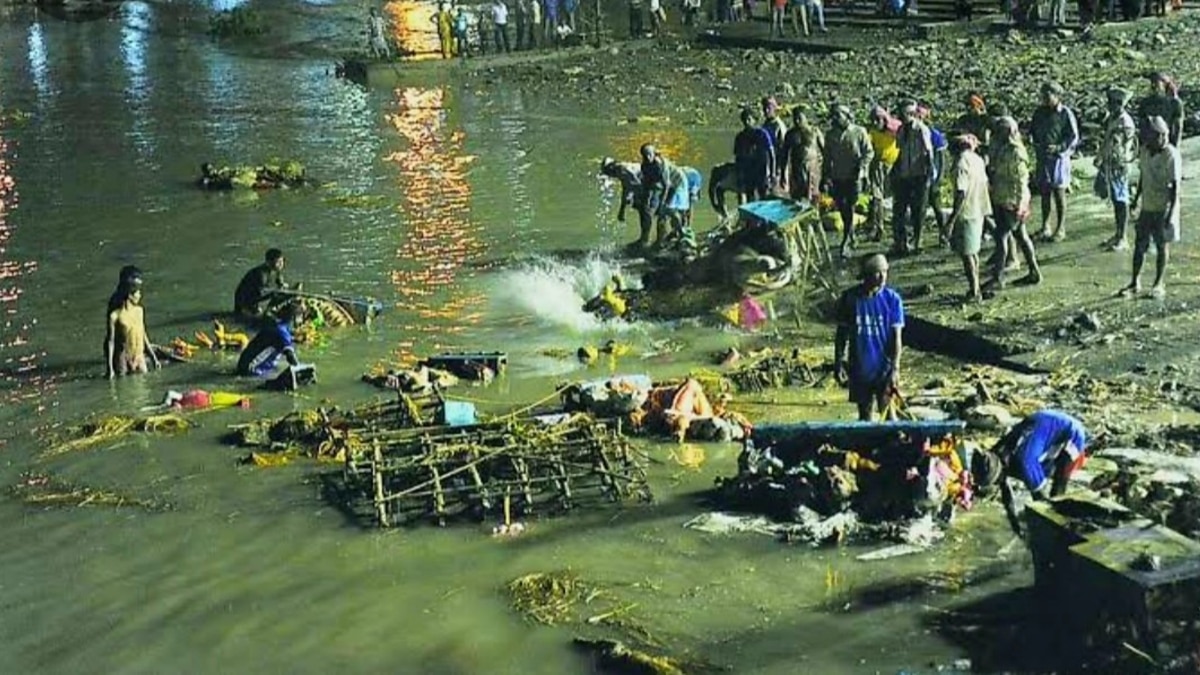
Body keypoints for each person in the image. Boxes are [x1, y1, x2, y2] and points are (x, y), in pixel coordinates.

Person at [986, 409, 1089, 536]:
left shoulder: (1025, 462)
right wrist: (1016, 527)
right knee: (1039, 476)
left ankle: (1062, 528)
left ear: (1001, 469)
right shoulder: (998, 453)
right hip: (1043, 424)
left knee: (1058, 484)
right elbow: (1006, 495)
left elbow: (1041, 501)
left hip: (1071, 432)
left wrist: (1041, 530)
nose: (998, 483)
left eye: (997, 480)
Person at [835, 254, 904, 422]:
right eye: (877, 273)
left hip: (884, 368)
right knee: (865, 416)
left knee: (889, 414)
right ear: (866, 275)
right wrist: (838, 362)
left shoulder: (892, 300)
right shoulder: (850, 299)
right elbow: (841, 334)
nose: (882, 277)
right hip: (860, 368)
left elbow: (896, 339)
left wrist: (895, 369)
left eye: (885, 272)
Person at [1122, 116, 1181, 300]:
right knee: (1140, 245)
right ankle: (1134, 282)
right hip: (1147, 206)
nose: (1150, 140)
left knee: (1162, 246)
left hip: (1163, 206)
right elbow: (1143, 177)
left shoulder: (1171, 155)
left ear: (1163, 136)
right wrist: (1136, 199)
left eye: (1155, 137)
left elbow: (1175, 187)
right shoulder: (1146, 151)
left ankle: (1158, 283)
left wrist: (1170, 215)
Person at [986, 117, 1042, 290]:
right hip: (1002, 197)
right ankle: (1034, 271)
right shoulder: (1000, 147)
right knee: (1021, 236)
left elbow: (1021, 180)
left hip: (1011, 200)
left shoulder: (1016, 152)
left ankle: (998, 276)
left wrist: (1020, 204)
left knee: (1002, 236)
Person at [1028, 82, 1079, 242]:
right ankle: (1045, 226)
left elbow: (1073, 136)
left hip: (1059, 158)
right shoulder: (1039, 112)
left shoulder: (1065, 113)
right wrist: (1034, 141)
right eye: (1043, 96)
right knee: (1044, 192)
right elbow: (1032, 130)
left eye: (1047, 96)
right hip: (1042, 156)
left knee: (1059, 192)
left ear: (1057, 96)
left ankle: (1061, 228)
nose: (1044, 99)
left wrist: (1059, 148)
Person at [822, 104, 873, 258]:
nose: (835, 119)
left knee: (850, 206)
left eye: (838, 116)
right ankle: (850, 235)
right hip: (838, 176)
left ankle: (846, 240)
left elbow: (869, 152)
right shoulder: (830, 135)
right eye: (833, 117)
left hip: (854, 177)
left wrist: (861, 167)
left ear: (846, 116)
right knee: (842, 207)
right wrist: (826, 176)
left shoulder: (859, 132)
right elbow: (827, 158)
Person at [946, 134, 991, 302]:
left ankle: (974, 290)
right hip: (979, 208)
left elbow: (960, 193)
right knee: (974, 253)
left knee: (967, 255)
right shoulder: (977, 159)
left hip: (967, 212)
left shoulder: (960, 164)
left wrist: (951, 220)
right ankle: (976, 286)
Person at [1096, 86, 1138, 252]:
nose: (1110, 106)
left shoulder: (1124, 122)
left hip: (1119, 165)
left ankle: (1123, 237)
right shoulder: (1114, 119)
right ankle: (1118, 233)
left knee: (1121, 200)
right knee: (1116, 200)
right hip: (1111, 164)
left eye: (1114, 103)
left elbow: (1117, 144)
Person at [890, 101, 935, 255]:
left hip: (919, 175)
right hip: (905, 174)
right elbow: (900, 151)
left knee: (918, 210)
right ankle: (902, 243)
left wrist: (929, 176)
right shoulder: (902, 130)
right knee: (900, 210)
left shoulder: (922, 130)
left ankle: (918, 240)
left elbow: (928, 153)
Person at [237, 303, 316, 390]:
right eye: (301, 318)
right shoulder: (282, 332)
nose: (301, 322)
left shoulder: (278, 326)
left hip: (246, 363)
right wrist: (302, 369)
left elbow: (279, 341)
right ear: (294, 318)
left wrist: (296, 340)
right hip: (252, 369)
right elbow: (291, 357)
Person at [105, 277, 161, 379]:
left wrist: (154, 358)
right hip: (123, 360)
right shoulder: (115, 316)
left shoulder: (140, 311)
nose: (140, 295)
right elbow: (110, 341)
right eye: (137, 293)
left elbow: (143, 336)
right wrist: (110, 368)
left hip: (139, 358)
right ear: (130, 295)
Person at [233, 248, 298, 319]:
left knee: (284, 295)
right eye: (278, 262)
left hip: (259, 297)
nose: (281, 264)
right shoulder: (261, 274)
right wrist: (278, 291)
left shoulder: (276, 271)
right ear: (268, 262)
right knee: (277, 295)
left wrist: (283, 286)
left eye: (282, 261)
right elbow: (261, 293)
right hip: (246, 301)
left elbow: (280, 283)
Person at [600, 157, 651, 248]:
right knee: (641, 209)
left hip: (648, 183)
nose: (610, 176)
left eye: (608, 173)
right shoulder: (620, 170)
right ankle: (644, 238)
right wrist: (622, 209)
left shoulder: (622, 170)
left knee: (644, 210)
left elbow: (636, 183)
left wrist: (636, 198)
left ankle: (645, 240)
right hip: (643, 184)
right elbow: (626, 188)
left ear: (611, 168)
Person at [867, 105, 901, 243]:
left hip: (894, 165)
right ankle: (879, 227)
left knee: (897, 197)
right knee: (877, 197)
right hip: (878, 165)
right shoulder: (873, 132)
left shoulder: (893, 129)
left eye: (878, 120)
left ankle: (897, 228)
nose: (875, 123)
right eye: (873, 120)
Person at [780, 108, 823, 204]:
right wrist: (783, 174)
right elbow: (784, 155)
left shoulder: (814, 131)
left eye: (799, 118)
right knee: (796, 199)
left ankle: (814, 216)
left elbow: (825, 151)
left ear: (806, 118)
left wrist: (827, 171)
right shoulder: (790, 134)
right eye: (795, 118)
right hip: (796, 170)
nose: (797, 121)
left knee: (814, 197)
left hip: (812, 170)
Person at [733, 108, 775, 202]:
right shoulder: (740, 137)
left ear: (754, 120)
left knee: (763, 195)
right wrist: (739, 174)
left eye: (749, 119)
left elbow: (771, 154)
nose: (746, 122)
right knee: (750, 196)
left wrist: (772, 173)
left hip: (762, 170)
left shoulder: (762, 134)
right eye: (744, 120)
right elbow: (737, 157)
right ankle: (751, 216)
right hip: (748, 171)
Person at [1137, 72, 1184, 149]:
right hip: (1150, 145)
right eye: (1151, 82)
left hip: (1166, 144)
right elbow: (1142, 124)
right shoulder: (1145, 103)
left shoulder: (1174, 103)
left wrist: (1175, 146)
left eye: (1155, 82)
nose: (1153, 86)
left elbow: (1177, 128)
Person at [761, 97, 788, 185]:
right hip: (766, 165)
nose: (766, 111)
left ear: (774, 109)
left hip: (777, 166)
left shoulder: (779, 126)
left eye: (769, 108)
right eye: (764, 108)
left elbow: (784, 149)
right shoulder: (765, 125)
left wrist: (780, 170)